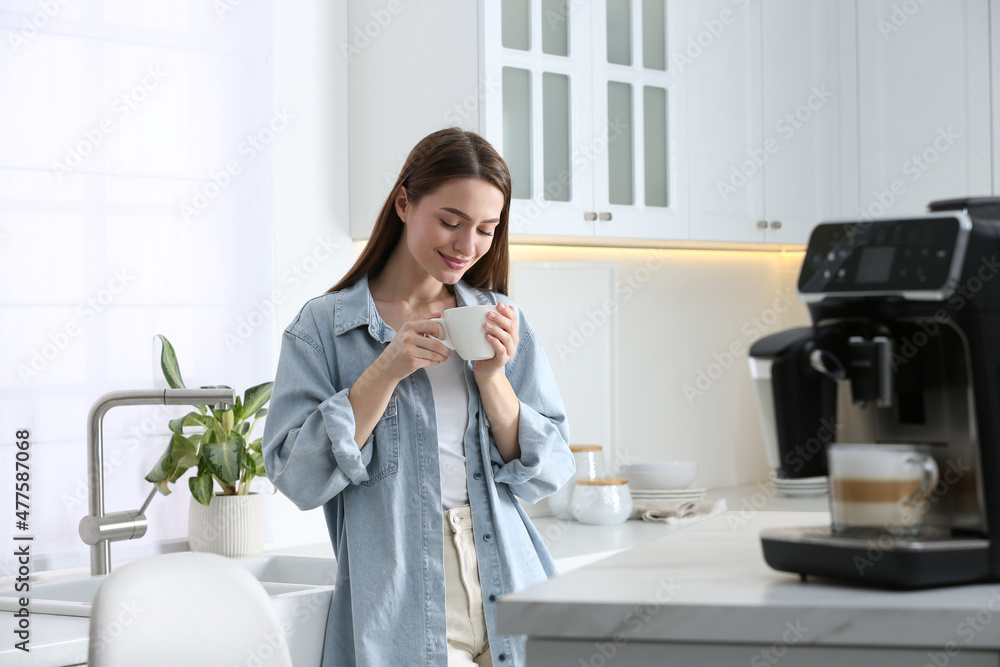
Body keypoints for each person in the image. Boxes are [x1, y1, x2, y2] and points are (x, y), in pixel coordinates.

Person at [262, 127, 574, 667]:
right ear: (404, 202)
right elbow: (297, 475)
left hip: (513, 582)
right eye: (450, 222)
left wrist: (493, 377)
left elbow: (549, 472)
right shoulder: (325, 327)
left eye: (485, 229)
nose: (466, 246)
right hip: (404, 600)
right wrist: (385, 370)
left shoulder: (498, 318)